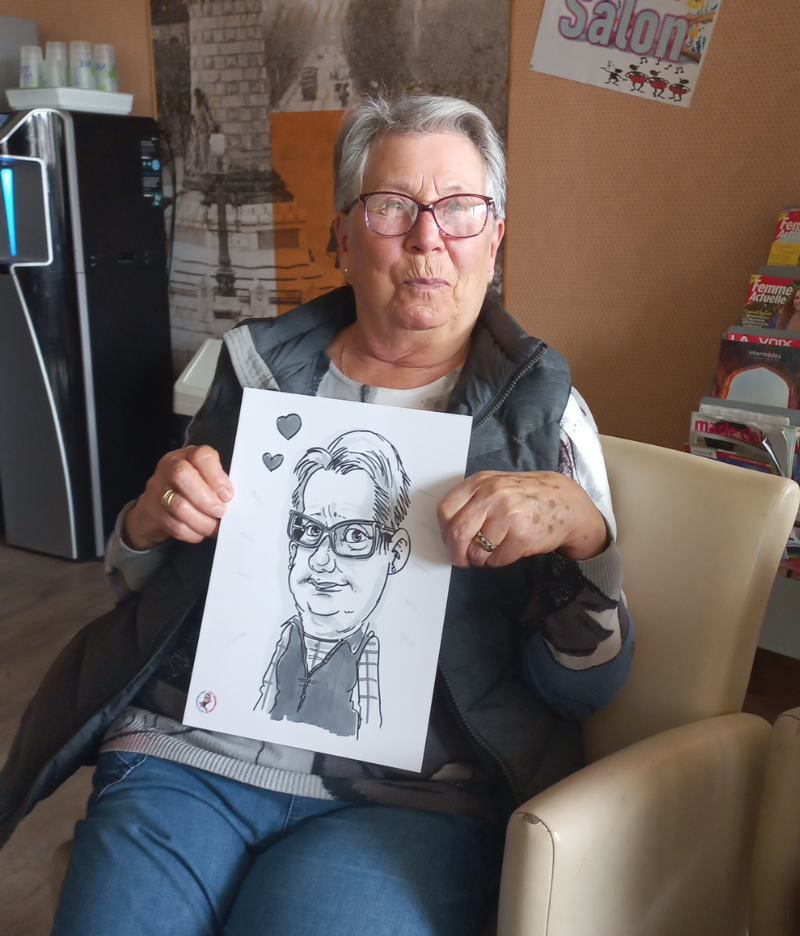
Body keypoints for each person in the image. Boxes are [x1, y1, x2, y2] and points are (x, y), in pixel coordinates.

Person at [0, 94, 633, 936]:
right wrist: (148, 522)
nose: (427, 238)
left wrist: (587, 541)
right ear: (342, 235)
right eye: (391, 206)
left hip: (411, 798)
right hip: (192, 757)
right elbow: (144, 589)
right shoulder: (256, 375)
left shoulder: (544, 418)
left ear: (495, 238)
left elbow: (584, 687)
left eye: (459, 208)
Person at [254, 430, 412, 735]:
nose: (321, 559)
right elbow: (259, 704)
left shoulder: (369, 655)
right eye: (311, 530)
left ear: (395, 553)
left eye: (354, 535)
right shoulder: (285, 638)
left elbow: (373, 733)